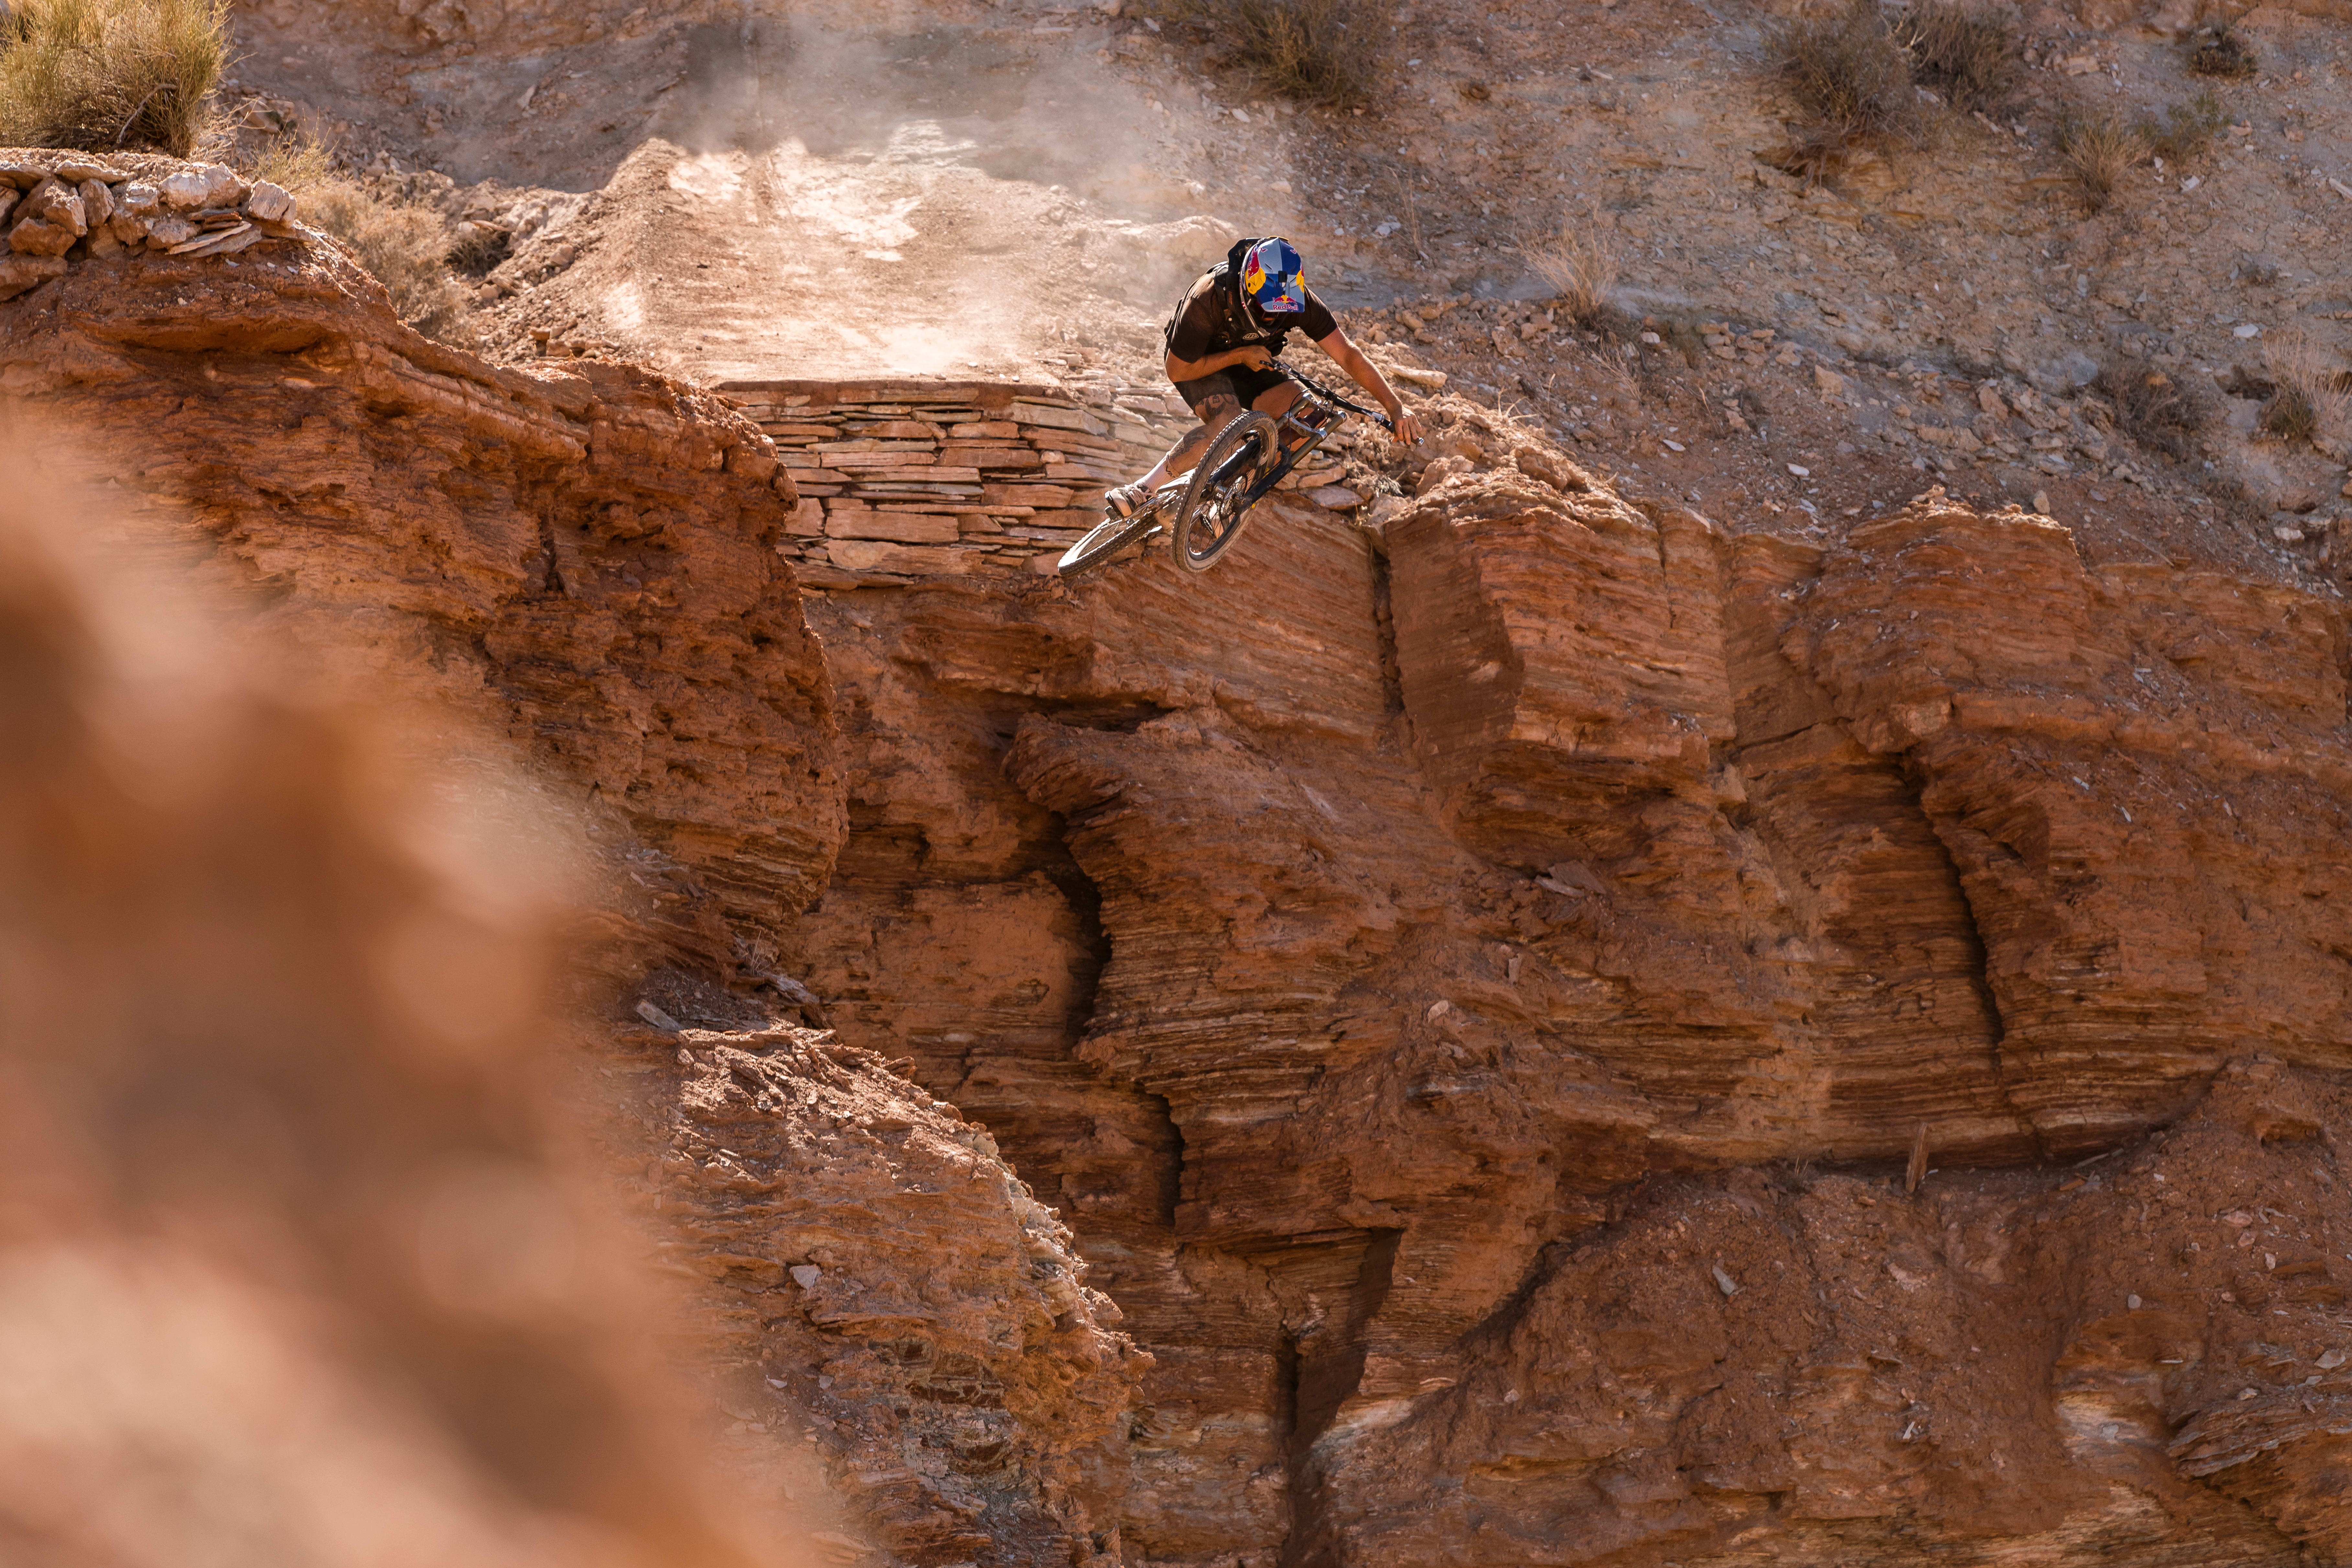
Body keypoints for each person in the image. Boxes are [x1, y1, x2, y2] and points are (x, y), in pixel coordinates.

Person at [1103, 236, 1424, 519]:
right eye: (1266, 308)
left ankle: (1224, 498)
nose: (1274, 316)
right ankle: (1144, 489)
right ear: (1247, 288)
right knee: (1224, 425)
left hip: (1251, 362)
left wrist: (1395, 408)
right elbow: (1178, 370)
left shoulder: (1296, 299)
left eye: (1281, 310)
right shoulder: (1207, 299)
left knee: (1309, 419)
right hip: (1200, 362)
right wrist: (1240, 355)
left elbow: (1347, 354)